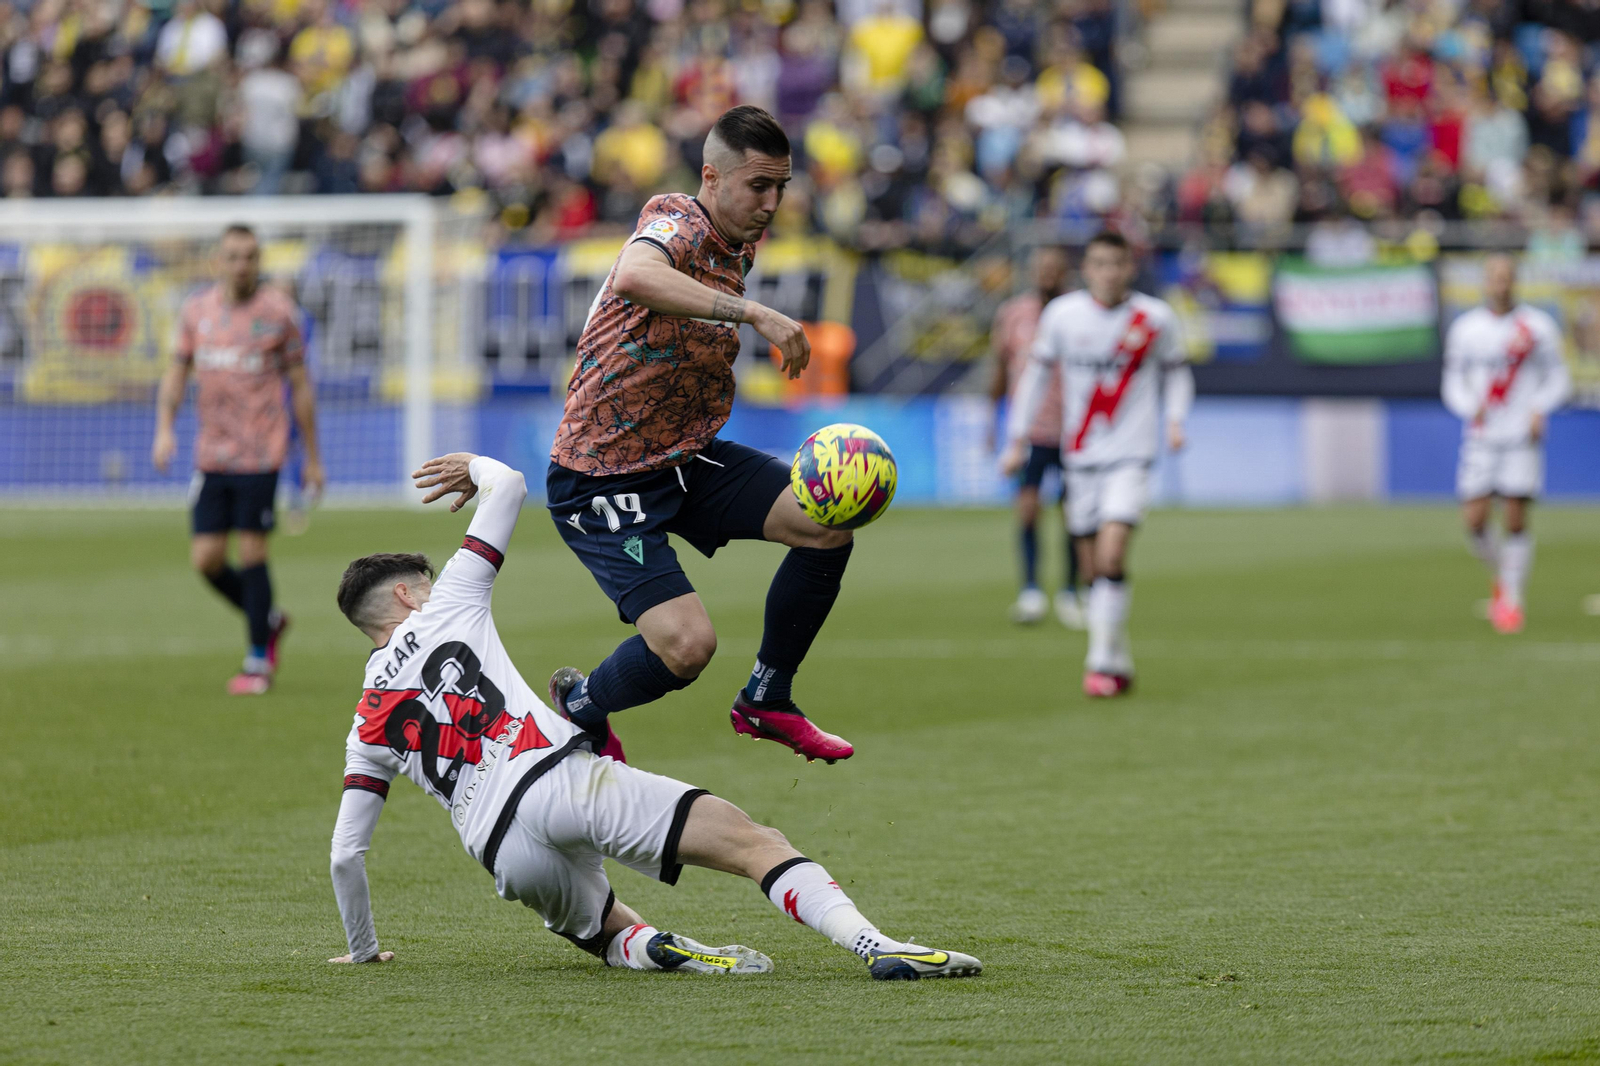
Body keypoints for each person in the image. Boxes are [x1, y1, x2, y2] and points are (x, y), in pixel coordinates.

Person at [328, 451, 982, 981]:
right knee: (758, 844)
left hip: (499, 848)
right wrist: (472, 465)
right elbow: (509, 486)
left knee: (610, 934)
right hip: (553, 777)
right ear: (410, 594)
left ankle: (658, 946)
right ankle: (875, 945)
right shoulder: (444, 606)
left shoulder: (364, 722)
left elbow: (346, 856)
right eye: (428, 579)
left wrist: (362, 949)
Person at [545, 105, 859, 763]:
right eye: (758, 186)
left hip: (687, 459)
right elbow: (636, 273)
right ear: (711, 178)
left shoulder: (740, 235)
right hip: (602, 477)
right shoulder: (677, 224)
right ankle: (581, 708)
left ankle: (767, 698)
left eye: (782, 187)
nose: (772, 203)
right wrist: (754, 314)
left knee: (827, 525)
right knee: (687, 649)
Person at [1000, 231, 1192, 698]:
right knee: (1091, 572)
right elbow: (1035, 376)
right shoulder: (1063, 316)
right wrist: (1017, 438)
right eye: (1100, 264)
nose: (1110, 272)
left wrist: (1176, 420)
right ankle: (1117, 659)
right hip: (1080, 457)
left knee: (1111, 555)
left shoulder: (1155, 318)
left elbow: (1178, 371)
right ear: (1086, 269)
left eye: (1118, 264)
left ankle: (1098, 662)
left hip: (1131, 456)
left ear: (1130, 268)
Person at [152, 224, 324, 694]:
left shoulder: (279, 314)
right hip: (211, 454)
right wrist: (164, 429)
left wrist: (311, 457)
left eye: (250, 256)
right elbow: (176, 372)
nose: (242, 265)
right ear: (218, 261)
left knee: (252, 553)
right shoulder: (195, 312)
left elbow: (301, 387)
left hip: (261, 453)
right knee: (206, 559)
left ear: (259, 261)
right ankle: (266, 619)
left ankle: (257, 664)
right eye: (233, 256)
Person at [1440, 253, 1571, 634]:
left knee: (1515, 515)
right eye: (1494, 278)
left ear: (1515, 281)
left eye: (1506, 277)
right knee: (1475, 519)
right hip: (1481, 435)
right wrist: (1469, 407)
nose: (1500, 284)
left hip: (1520, 436)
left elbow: (1558, 378)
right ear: (1485, 282)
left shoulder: (1537, 327)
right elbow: (1453, 381)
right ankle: (1502, 578)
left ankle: (1511, 598)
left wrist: (1539, 408)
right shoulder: (1466, 329)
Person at [990, 245, 1082, 627]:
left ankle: (1071, 592)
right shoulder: (1013, 314)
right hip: (1030, 431)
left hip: (1076, 429)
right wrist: (989, 422)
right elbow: (1000, 369)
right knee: (1028, 510)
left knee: (1075, 515)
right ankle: (1030, 590)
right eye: (1041, 268)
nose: (1047, 275)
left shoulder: (1079, 315)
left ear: (1065, 272)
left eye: (1053, 269)